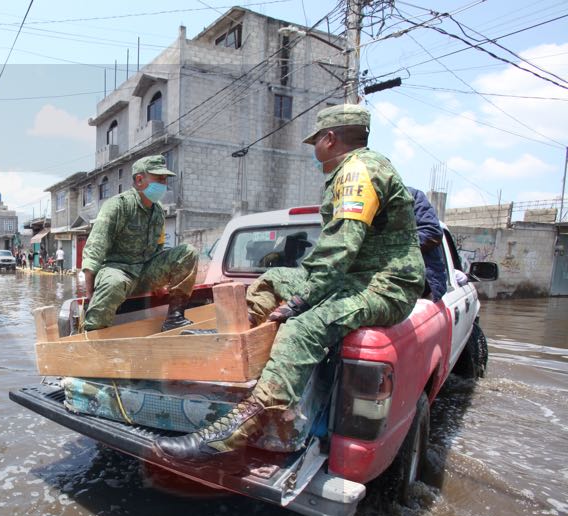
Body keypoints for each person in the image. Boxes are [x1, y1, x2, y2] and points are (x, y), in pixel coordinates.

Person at [155, 104, 425, 460]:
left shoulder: (357, 172)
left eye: (316, 141)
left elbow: (338, 249)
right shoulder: (354, 169)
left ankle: (239, 428)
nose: (314, 150)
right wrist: (298, 291)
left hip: (384, 286)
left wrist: (300, 302)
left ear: (330, 139)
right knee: (273, 279)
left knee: (303, 327)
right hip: (352, 279)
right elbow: (330, 260)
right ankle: (239, 350)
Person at [81, 154, 199, 332]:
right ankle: (92, 333)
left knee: (188, 252)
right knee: (113, 284)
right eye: (159, 179)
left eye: (165, 179)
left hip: (144, 272)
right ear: (139, 179)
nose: (163, 184)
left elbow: (158, 249)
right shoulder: (118, 206)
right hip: (118, 271)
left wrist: (159, 283)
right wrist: (90, 294)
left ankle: (175, 318)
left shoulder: (158, 212)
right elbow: (95, 250)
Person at [407, 187, 447, 301]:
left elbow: (432, 233)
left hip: (421, 284)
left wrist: (387, 245)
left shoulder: (411, 196)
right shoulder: (357, 200)